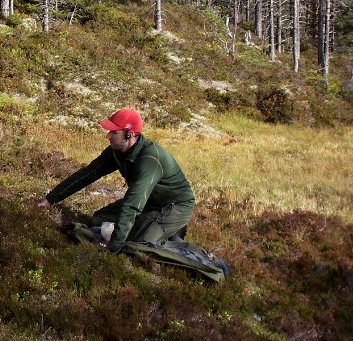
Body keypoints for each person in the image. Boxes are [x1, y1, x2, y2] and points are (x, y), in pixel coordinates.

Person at [38, 109, 227, 278]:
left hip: (175, 207)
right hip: (149, 202)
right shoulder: (116, 151)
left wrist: (114, 247)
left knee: (139, 246)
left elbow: (133, 203)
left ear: (129, 134)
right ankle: (161, 231)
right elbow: (88, 174)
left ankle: (205, 257)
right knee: (98, 220)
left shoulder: (150, 159)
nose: (109, 136)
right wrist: (50, 199)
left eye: (114, 132)